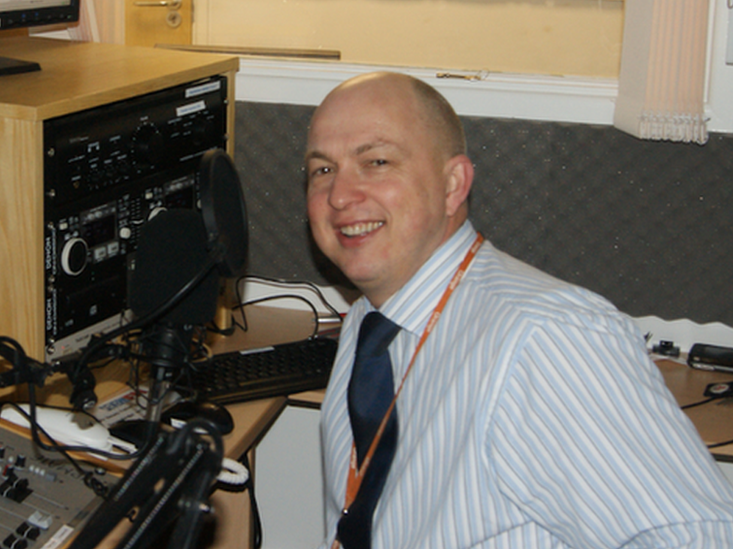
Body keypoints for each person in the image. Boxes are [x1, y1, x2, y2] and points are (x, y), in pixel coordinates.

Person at [305, 71, 733, 549]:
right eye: (322, 170)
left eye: (376, 161)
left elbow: (700, 537)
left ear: (453, 185)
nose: (339, 196)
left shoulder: (548, 337)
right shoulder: (372, 319)